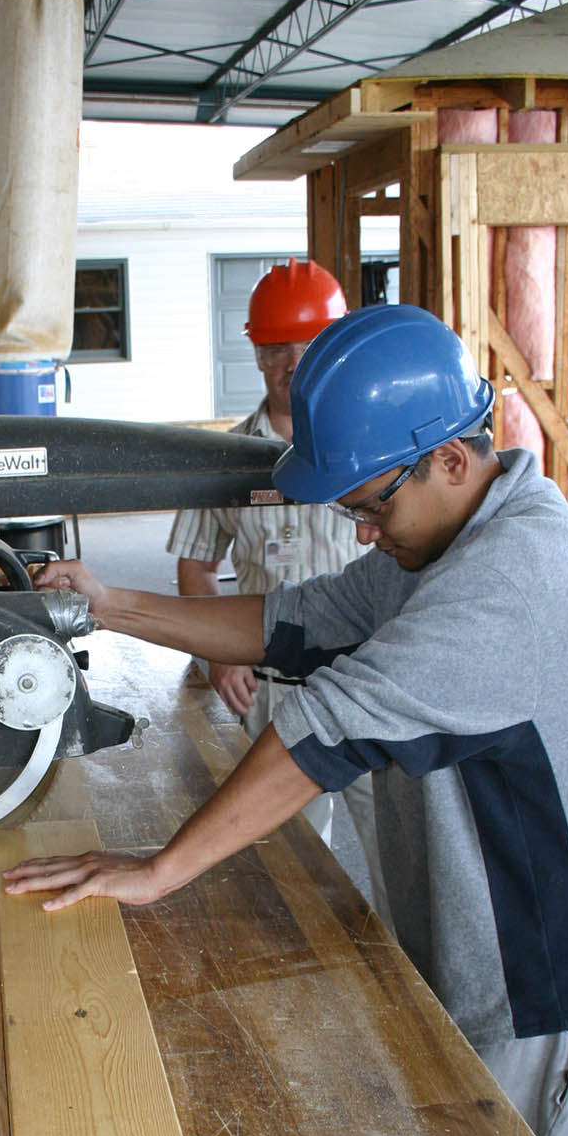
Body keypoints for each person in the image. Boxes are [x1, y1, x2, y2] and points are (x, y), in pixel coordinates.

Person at [5, 304, 568, 1136]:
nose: (362, 533)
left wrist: (157, 869)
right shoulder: (447, 545)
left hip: (564, 982)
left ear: (452, 460)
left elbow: (323, 724)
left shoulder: (512, 578)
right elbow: (295, 622)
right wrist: (111, 604)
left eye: (371, 508)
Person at [166, 259, 386, 920]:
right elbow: (196, 566)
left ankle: (414, 986)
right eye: (274, 350)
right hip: (275, 691)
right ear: (256, 353)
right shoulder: (223, 460)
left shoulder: (375, 447)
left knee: (399, 854)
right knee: (281, 858)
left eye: (308, 346)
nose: (291, 363)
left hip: (372, 683)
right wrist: (220, 651)